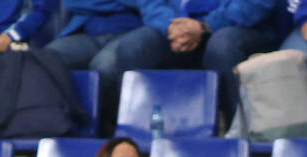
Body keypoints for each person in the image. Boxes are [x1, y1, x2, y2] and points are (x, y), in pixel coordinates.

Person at [102, 1, 284, 130]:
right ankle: (137, 139)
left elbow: (255, 5)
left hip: (239, 28)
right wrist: (172, 27)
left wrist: (204, 26)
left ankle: (237, 134)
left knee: (222, 46)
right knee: (134, 46)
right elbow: (151, 3)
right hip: (178, 27)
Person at [44, 0, 177, 134]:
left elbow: (151, 5)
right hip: (87, 34)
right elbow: (73, 3)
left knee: (105, 65)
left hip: (132, 33)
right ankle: (54, 127)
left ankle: (108, 132)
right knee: (46, 58)